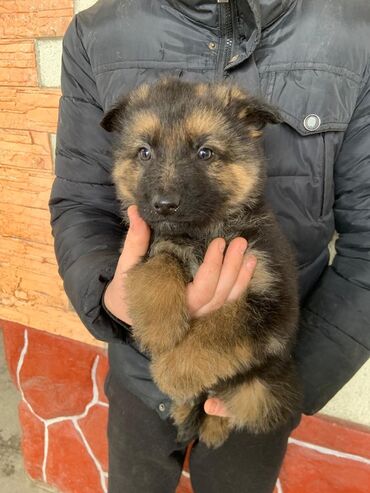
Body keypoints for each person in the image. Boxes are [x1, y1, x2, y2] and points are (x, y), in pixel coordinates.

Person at [48, 1, 370, 492]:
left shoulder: (356, 31)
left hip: (264, 365)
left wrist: (278, 379)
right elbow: (79, 202)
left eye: (204, 153)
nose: (166, 191)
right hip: (137, 372)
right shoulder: (95, 33)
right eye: (146, 151)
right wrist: (109, 299)